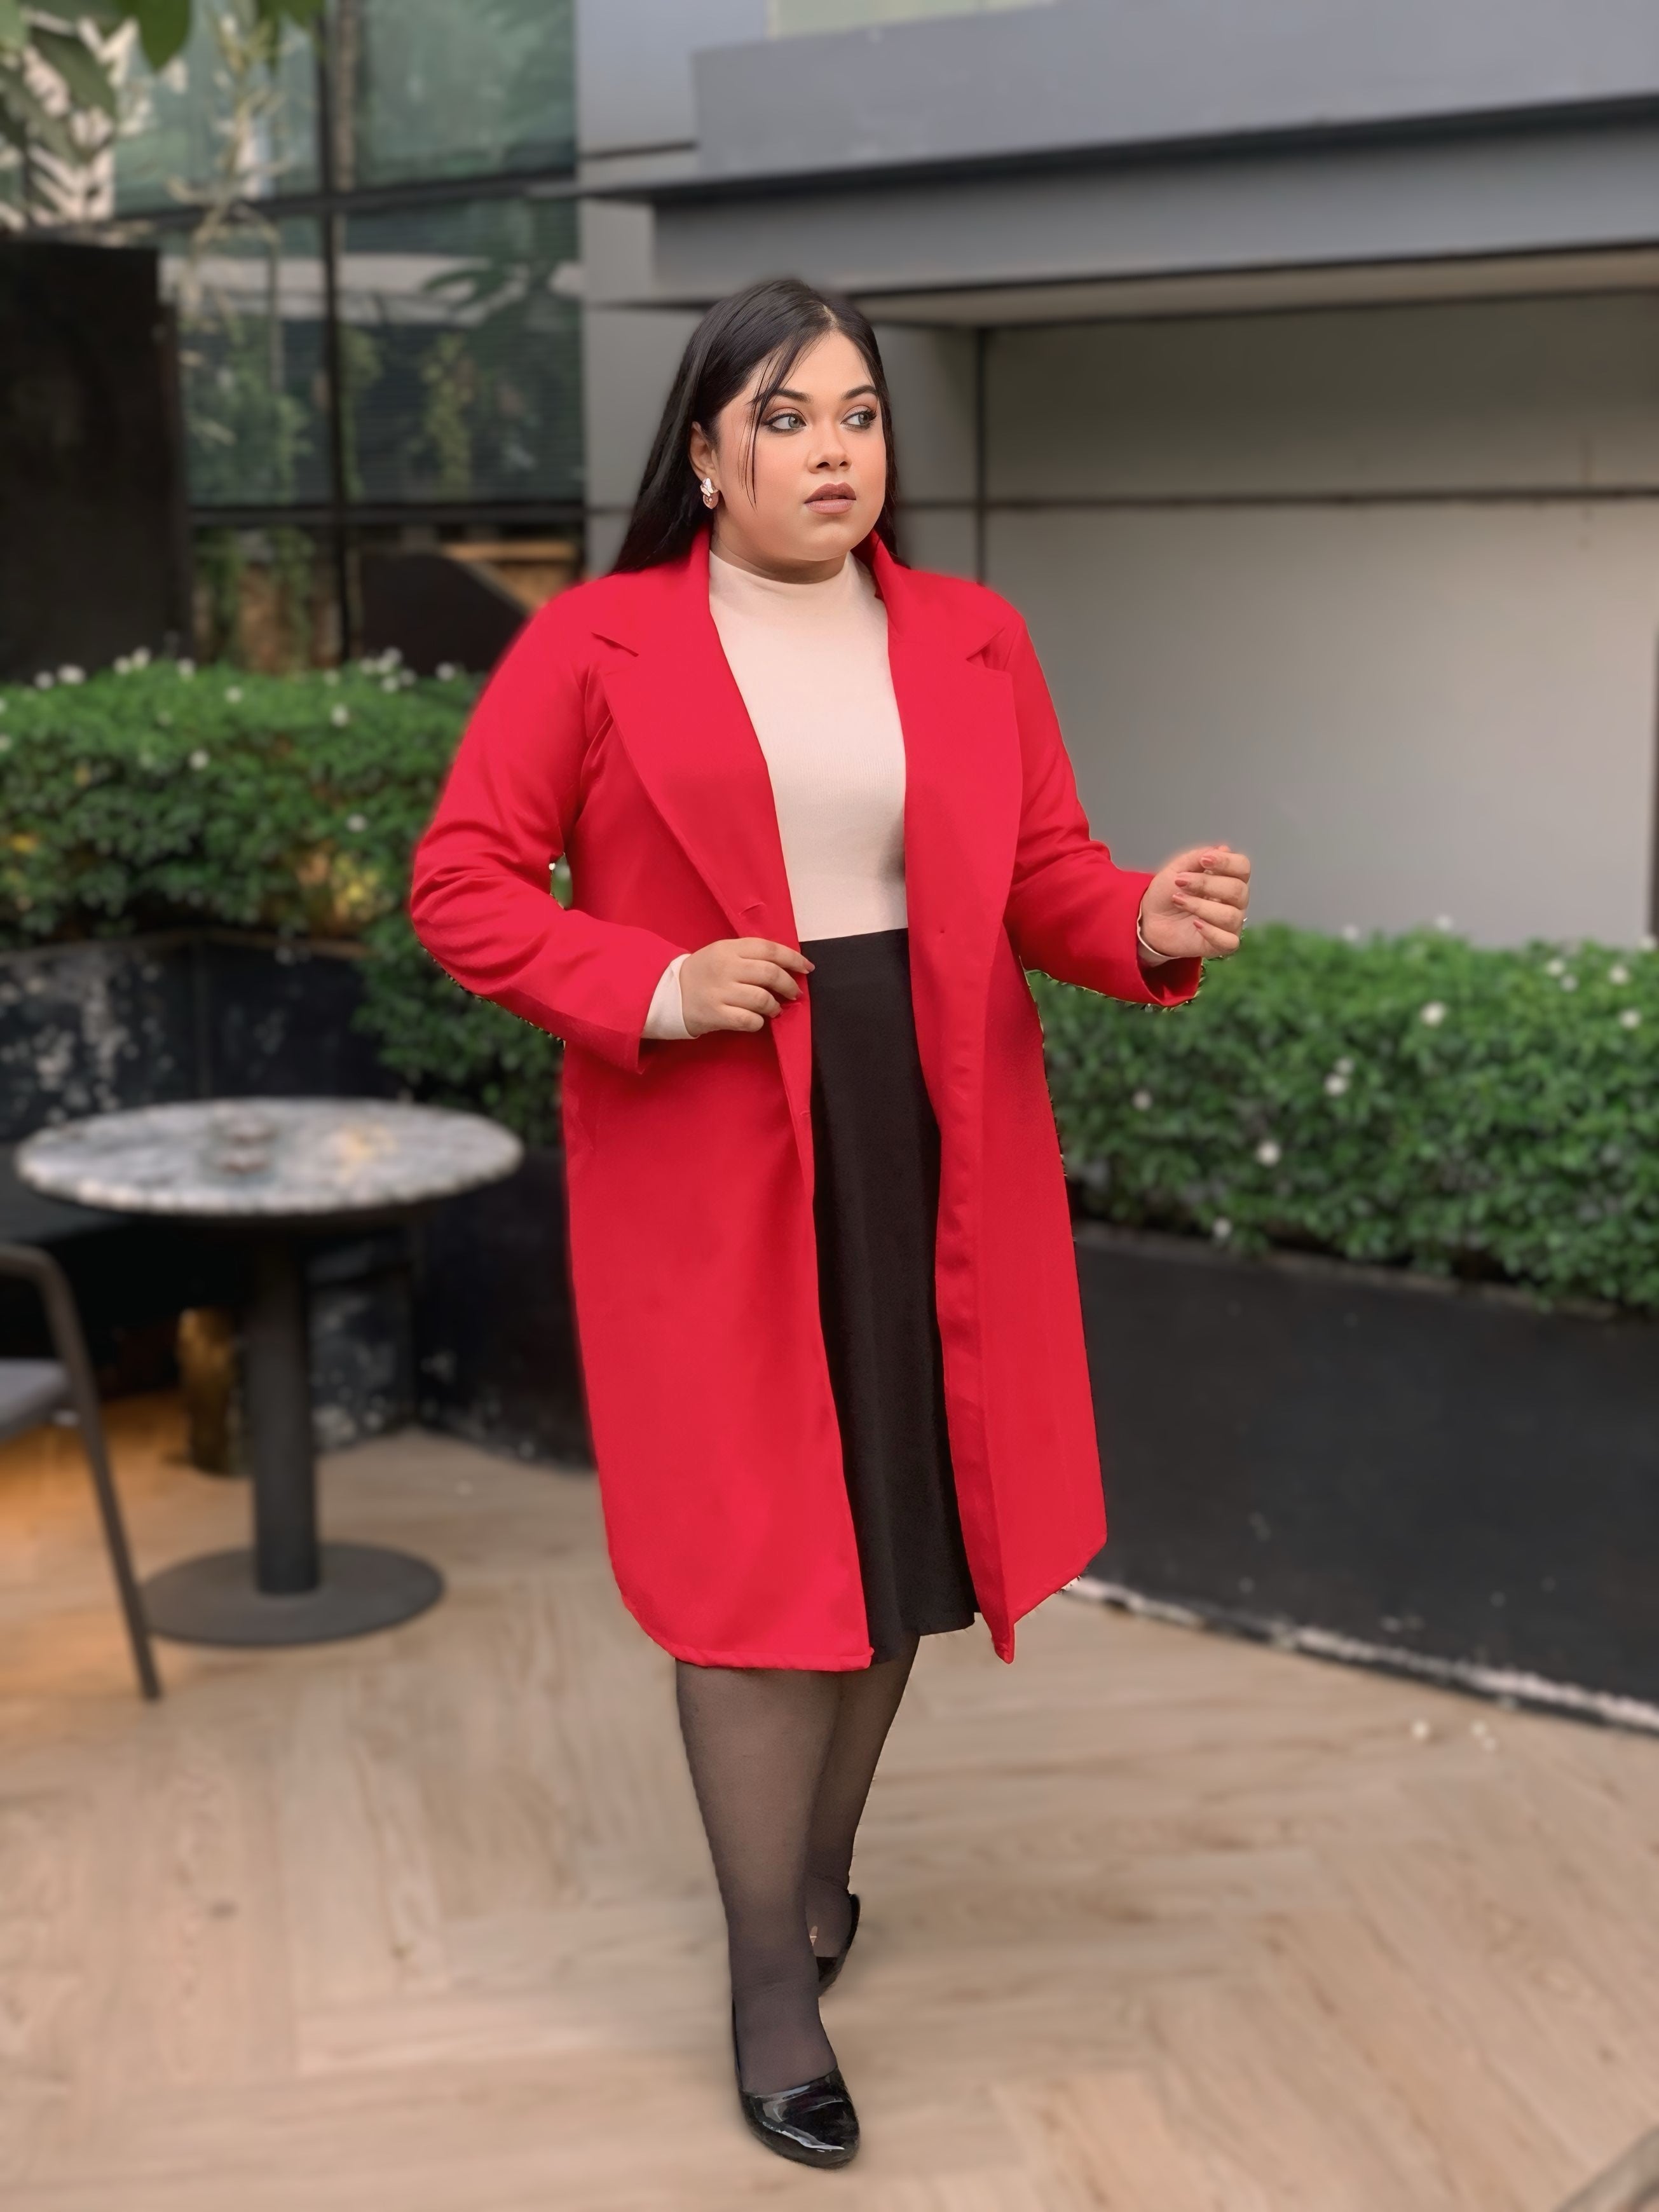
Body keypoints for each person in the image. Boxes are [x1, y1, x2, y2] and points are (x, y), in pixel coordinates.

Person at [407, 276, 1251, 2171]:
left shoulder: (966, 639)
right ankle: (764, 1984)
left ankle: (817, 1875)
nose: (830, 453)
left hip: (930, 1114)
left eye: (858, 415)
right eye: (782, 418)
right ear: (703, 453)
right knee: (744, 1561)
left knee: (902, 1524)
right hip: (714, 1121)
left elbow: (1041, 874)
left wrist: (1139, 926)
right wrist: (646, 984)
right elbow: (461, 883)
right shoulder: (597, 646)